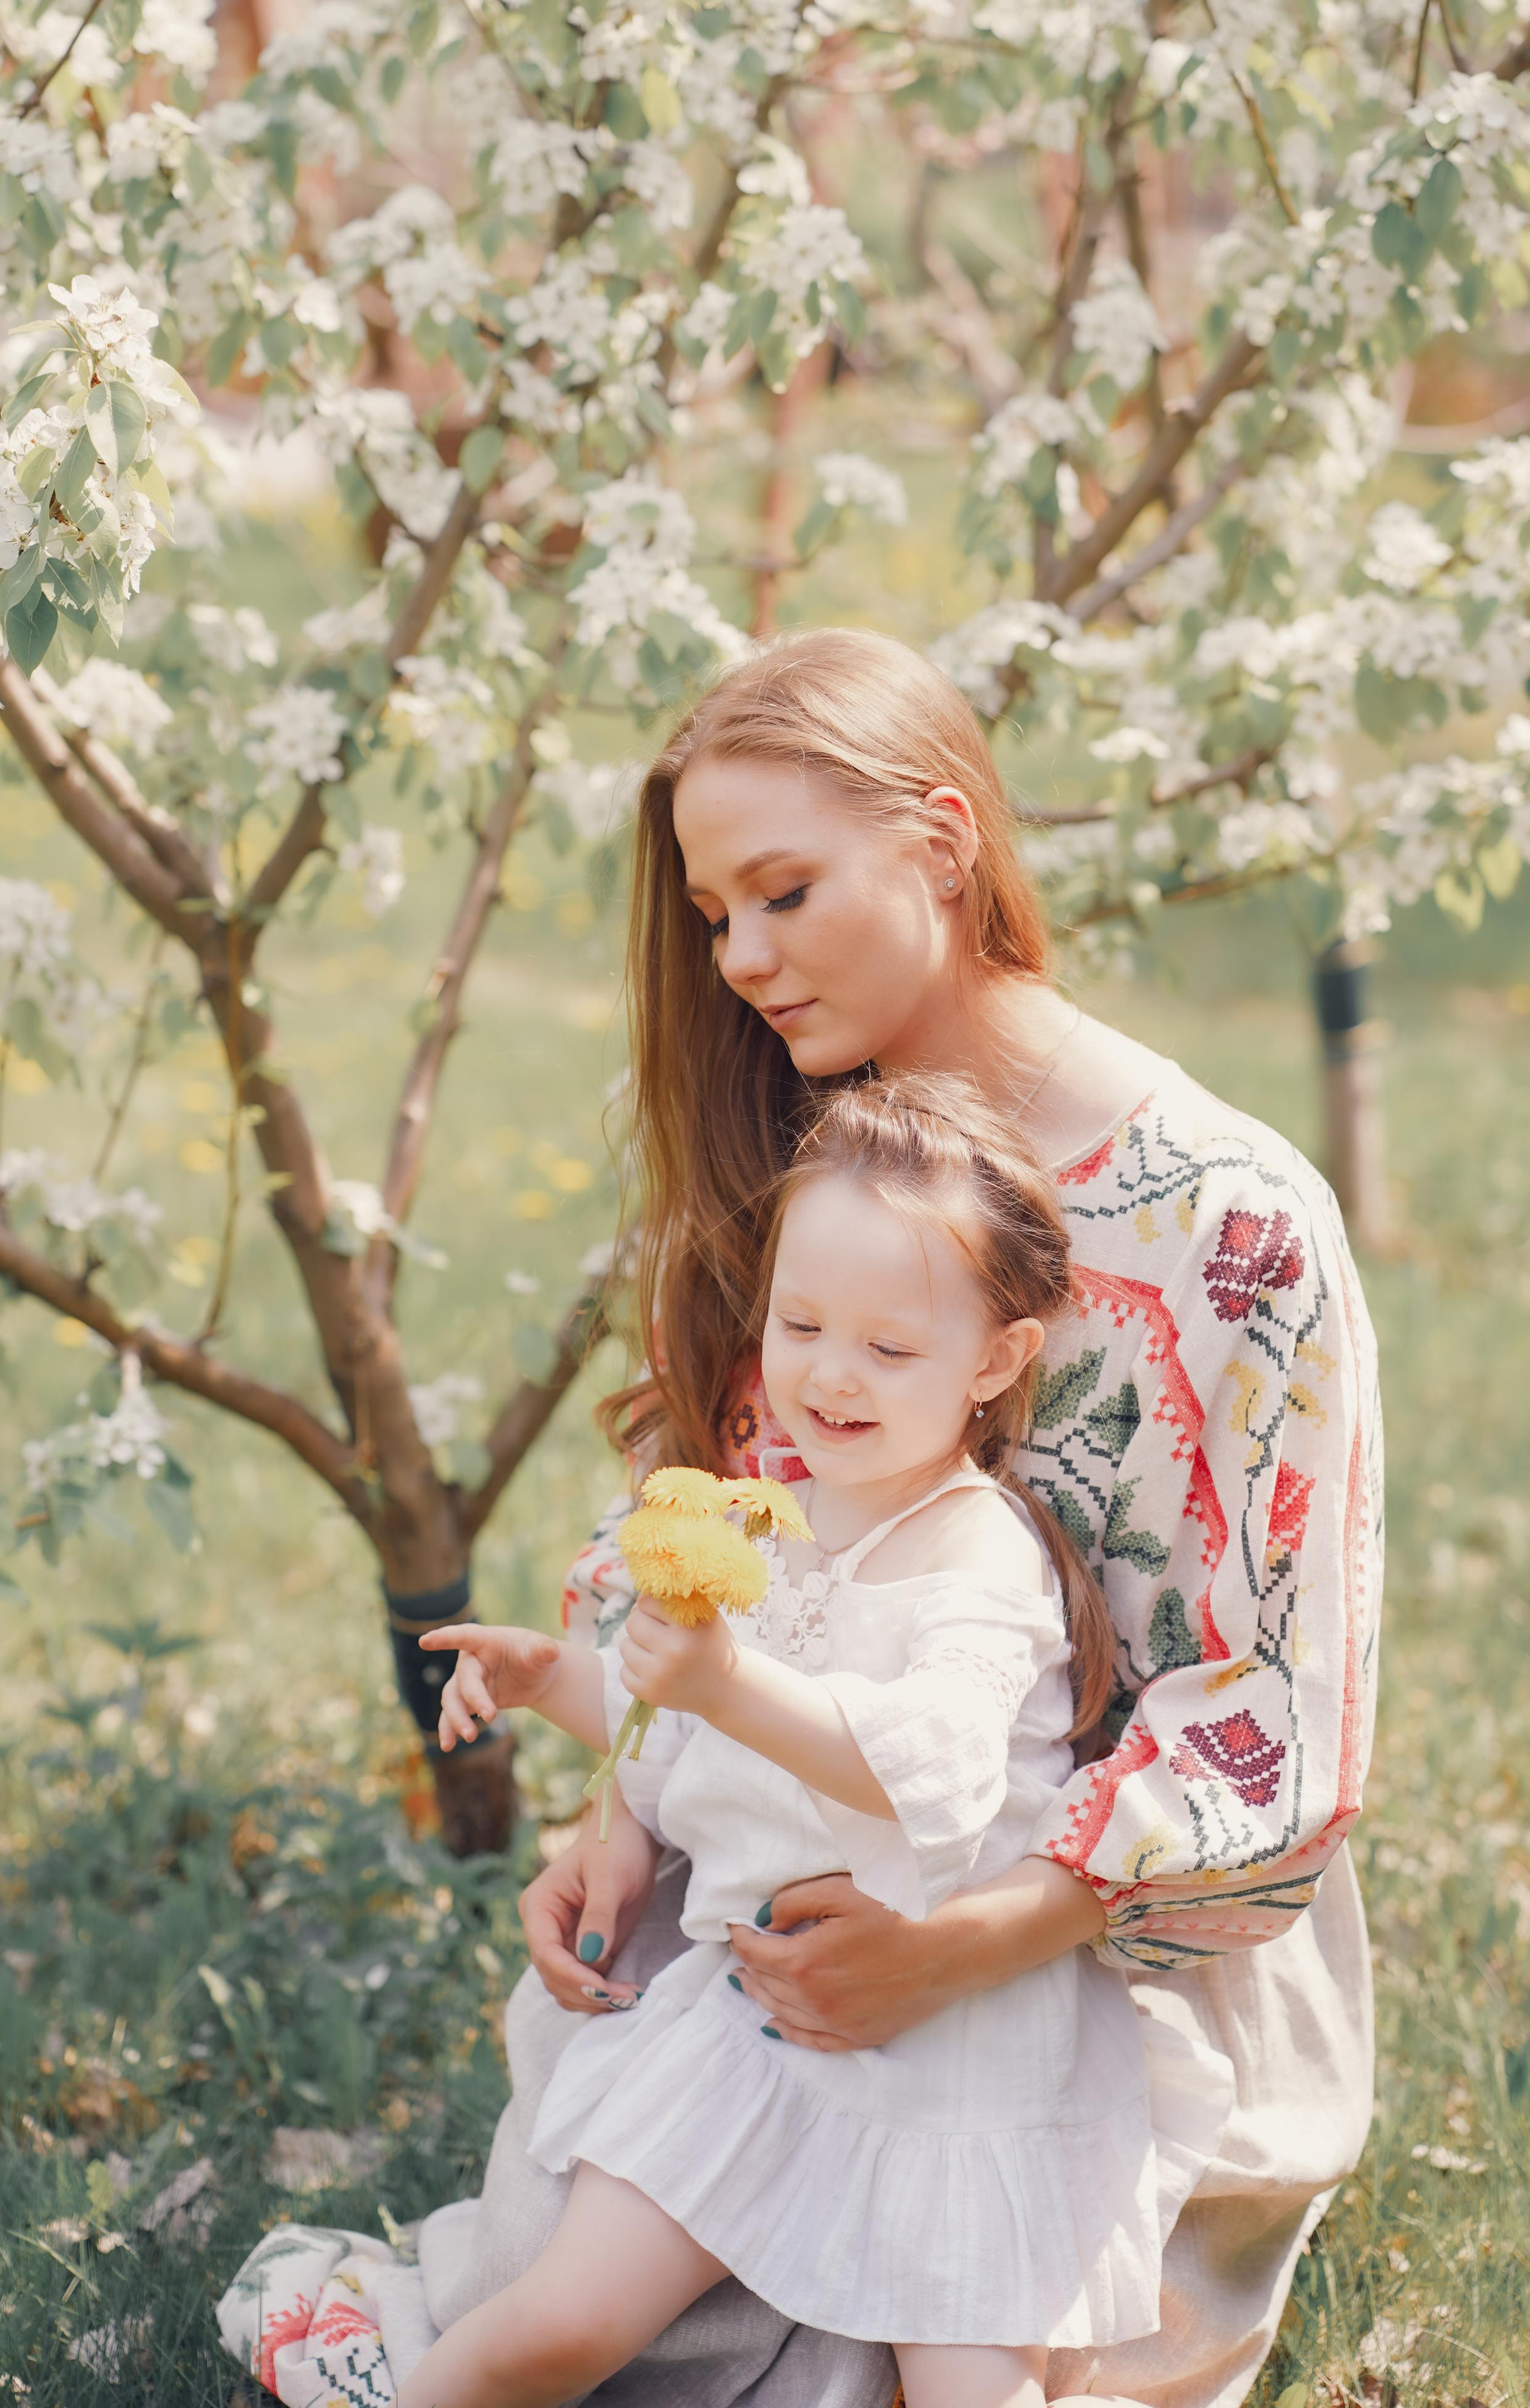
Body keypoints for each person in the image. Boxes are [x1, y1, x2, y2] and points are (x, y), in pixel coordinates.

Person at [218, 626, 1381, 2407]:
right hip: (795, 1864)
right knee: (607, 2309)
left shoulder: (1234, 1226)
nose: (743, 960)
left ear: (941, 838)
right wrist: (627, 1816)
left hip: (1105, 1951)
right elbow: (730, 1543)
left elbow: (1274, 1731)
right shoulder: (811, 1170)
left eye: (783, 893)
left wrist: (970, 1942)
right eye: (714, 916)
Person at [403, 1076, 1235, 2408]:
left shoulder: (977, 1551)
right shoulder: (779, 1514)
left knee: (972, 2390)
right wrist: (549, 1675)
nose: (828, 1376)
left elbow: (934, 1772)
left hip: (959, 2054)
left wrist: (724, 1684)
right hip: (756, 2031)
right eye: (799, 1325)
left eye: (889, 1351)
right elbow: (683, 1728)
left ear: (993, 1363)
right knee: (553, 2326)